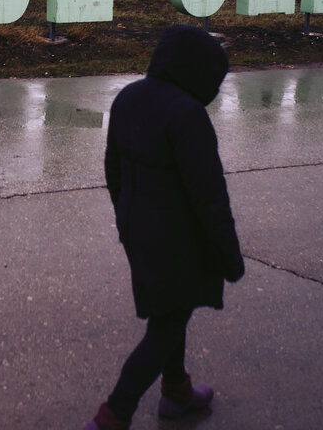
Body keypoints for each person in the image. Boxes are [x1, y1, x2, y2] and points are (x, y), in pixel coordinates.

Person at [83, 24, 245, 430]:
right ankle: (113, 415)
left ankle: (177, 391)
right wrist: (229, 256)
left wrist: (126, 215)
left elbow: (113, 167)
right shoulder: (187, 115)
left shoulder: (128, 97)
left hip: (138, 231)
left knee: (171, 311)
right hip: (181, 242)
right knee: (167, 326)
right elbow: (209, 196)